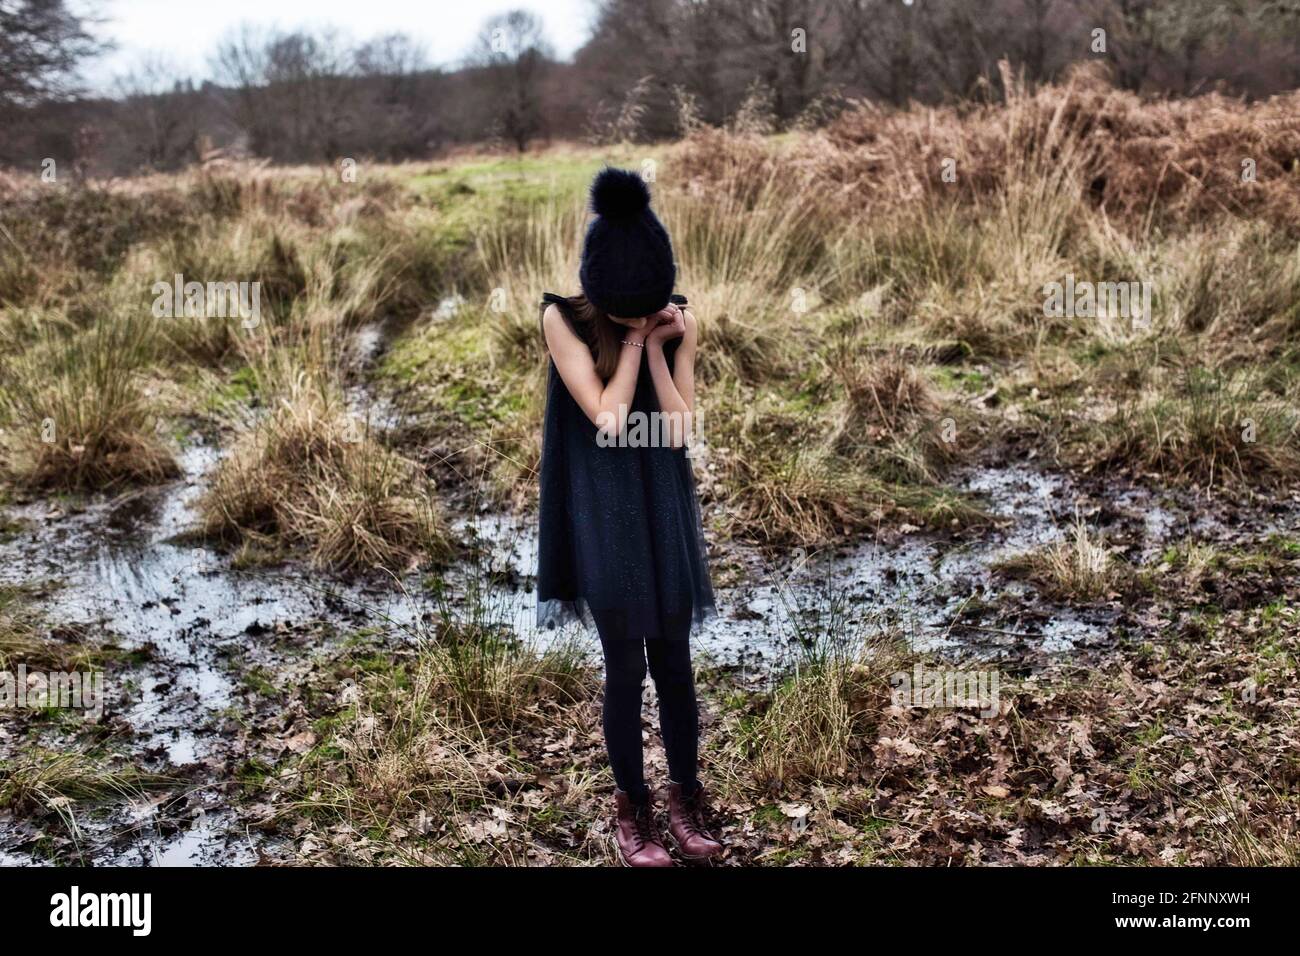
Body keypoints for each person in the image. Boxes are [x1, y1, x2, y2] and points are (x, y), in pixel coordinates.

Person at [535, 167, 722, 866]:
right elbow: (610, 419)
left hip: (660, 503)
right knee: (624, 666)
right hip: (600, 507)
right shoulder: (564, 318)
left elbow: (676, 430)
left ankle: (685, 797)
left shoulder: (675, 317)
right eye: (629, 312)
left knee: (675, 661)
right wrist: (639, 345)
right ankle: (632, 811)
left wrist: (675, 343)